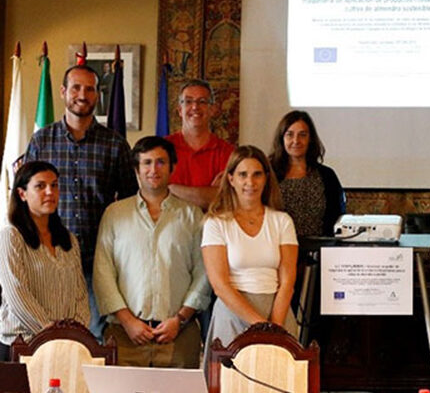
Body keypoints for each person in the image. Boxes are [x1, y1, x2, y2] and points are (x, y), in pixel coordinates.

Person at [24, 64, 138, 339]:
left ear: (97, 95)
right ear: (63, 92)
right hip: (49, 256)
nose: (82, 95)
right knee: (46, 336)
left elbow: (129, 203)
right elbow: (27, 198)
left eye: (90, 89)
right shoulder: (42, 141)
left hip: (97, 259)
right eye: (76, 88)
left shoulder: (115, 144)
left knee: (93, 338)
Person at [93, 137, 210, 368]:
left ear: (172, 167)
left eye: (160, 162)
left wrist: (180, 319)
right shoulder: (115, 214)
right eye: (146, 163)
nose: (153, 169)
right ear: (136, 169)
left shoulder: (192, 215)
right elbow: (102, 272)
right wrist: (128, 321)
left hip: (178, 336)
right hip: (125, 335)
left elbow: (204, 273)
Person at [201, 146, 299, 367]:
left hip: (278, 313)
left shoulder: (282, 221)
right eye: (243, 175)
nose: (250, 182)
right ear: (231, 179)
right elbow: (220, 285)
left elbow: (287, 281)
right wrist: (261, 327)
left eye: (257, 174)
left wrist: (274, 327)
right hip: (233, 313)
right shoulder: (215, 223)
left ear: (266, 178)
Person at [0, 162, 89, 361]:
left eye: (54, 185)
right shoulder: (11, 236)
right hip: (22, 344)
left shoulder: (69, 240)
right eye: (40, 186)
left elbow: (81, 294)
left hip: (65, 346)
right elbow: (17, 294)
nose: (50, 192)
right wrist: (50, 333)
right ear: (22, 194)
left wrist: (73, 333)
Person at [269, 110, 345, 237]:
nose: (296, 140)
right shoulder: (269, 174)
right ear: (281, 138)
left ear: (310, 139)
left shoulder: (327, 175)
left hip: (319, 247)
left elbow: (337, 217)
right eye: (290, 135)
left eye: (302, 135)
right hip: (277, 246)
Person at [166, 79, 235, 210]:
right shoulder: (162, 148)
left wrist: (171, 189)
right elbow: (154, 193)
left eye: (202, 101)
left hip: (213, 222)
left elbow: (225, 199)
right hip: (170, 222)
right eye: (188, 101)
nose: (195, 107)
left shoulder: (228, 152)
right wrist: (207, 193)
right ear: (180, 110)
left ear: (212, 109)